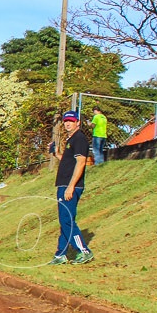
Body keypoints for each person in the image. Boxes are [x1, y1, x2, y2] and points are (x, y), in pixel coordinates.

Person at [50, 110, 95, 265]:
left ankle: (84, 251)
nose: (68, 123)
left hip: (70, 186)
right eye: (66, 121)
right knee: (65, 221)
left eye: (71, 121)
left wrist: (70, 186)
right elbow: (68, 160)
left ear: (78, 122)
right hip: (64, 185)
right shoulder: (71, 139)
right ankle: (61, 254)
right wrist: (56, 154)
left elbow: (81, 162)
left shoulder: (80, 139)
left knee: (67, 220)